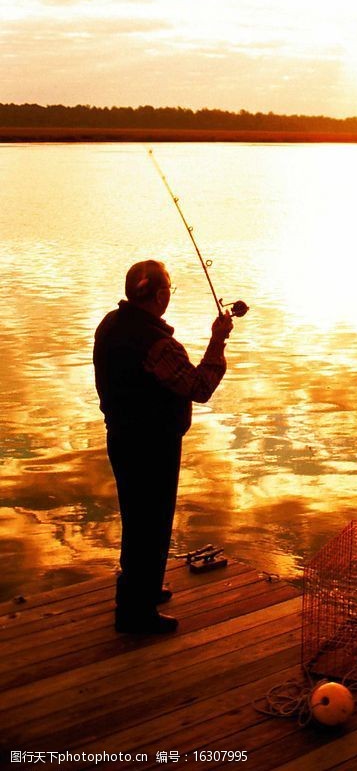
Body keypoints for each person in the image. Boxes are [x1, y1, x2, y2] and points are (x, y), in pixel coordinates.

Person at [93, 259, 233, 635]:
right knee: (149, 524)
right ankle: (134, 614)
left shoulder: (111, 324)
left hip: (122, 437)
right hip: (150, 445)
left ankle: (145, 590)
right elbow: (200, 387)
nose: (169, 294)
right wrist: (218, 339)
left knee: (138, 519)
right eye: (168, 288)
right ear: (158, 295)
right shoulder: (156, 344)